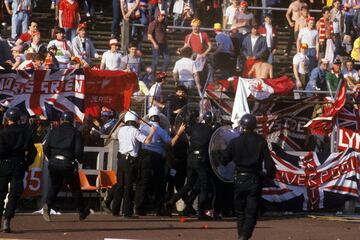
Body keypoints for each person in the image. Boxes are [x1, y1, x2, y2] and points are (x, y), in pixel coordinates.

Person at [221, 114, 275, 240]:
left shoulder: (235, 142)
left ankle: (241, 235)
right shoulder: (261, 141)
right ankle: (244, 236)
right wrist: (269, 176)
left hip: (239, 178)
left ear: (242, 125)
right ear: (254, 126)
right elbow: (269, 163)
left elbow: (223, 160)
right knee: (252, 211)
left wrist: (218, 154)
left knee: (240, 212)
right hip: (254, 179)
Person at [135, 106, 186, 215]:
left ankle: (139, 207)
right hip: (156, 158)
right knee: (159, 183)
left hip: (143, 156)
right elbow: (171, 143)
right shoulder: (160, 130)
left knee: (143, 182)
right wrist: (179, 133)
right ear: (159, 117)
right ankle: (159, 208)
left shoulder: (142, 127)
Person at [165, 111, 215, 220]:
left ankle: (172, 201)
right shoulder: (211, 131)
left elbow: (186, 129)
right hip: (202, 160)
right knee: (204, 185)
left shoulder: (195, 126)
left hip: (191, 159)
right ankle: (201, 212)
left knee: (189, 185)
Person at [42, 111, 90, 222]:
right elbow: (78, 151)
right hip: (68, 163)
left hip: (53, 163)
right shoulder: (76, 132)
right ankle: (82, 211)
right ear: (72, 121)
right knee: (75, 187)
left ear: (61, 120)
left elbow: (46, 147)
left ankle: (48, 205)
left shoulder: (53, 131)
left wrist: (52, 157)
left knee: (55, 186)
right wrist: (80, 160)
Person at [113, 110, 156, 218]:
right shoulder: (135, 131)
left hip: (121, 159)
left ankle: (115, 210)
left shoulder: (121, 129)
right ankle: (127, 212)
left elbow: (113, 136)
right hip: (130, 161)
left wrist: (119, 126)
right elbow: (146, 141)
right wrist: (151, 132)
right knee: (128, 186)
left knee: (120, 185)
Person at [0, 107, 37, 233]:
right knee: (14, 194)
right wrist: (26, 163)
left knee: (1, 192)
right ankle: (7, 218)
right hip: (19, 164)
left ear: (8, 118)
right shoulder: (25, 132)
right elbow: (33, 152)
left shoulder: (3, 132)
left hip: (4, 164)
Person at [147, 10, 170, 79]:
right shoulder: (153, 23)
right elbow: (149, 35)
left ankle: (162, 74)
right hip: (156, 44)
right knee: (155, 61)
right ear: (158, 16)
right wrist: (154, 44)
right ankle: (152, 76)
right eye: (162, 16)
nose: (163, 17)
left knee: (168, 59)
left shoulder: (164, 23)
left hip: (164, 44)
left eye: (164, 16)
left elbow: (164, 33)